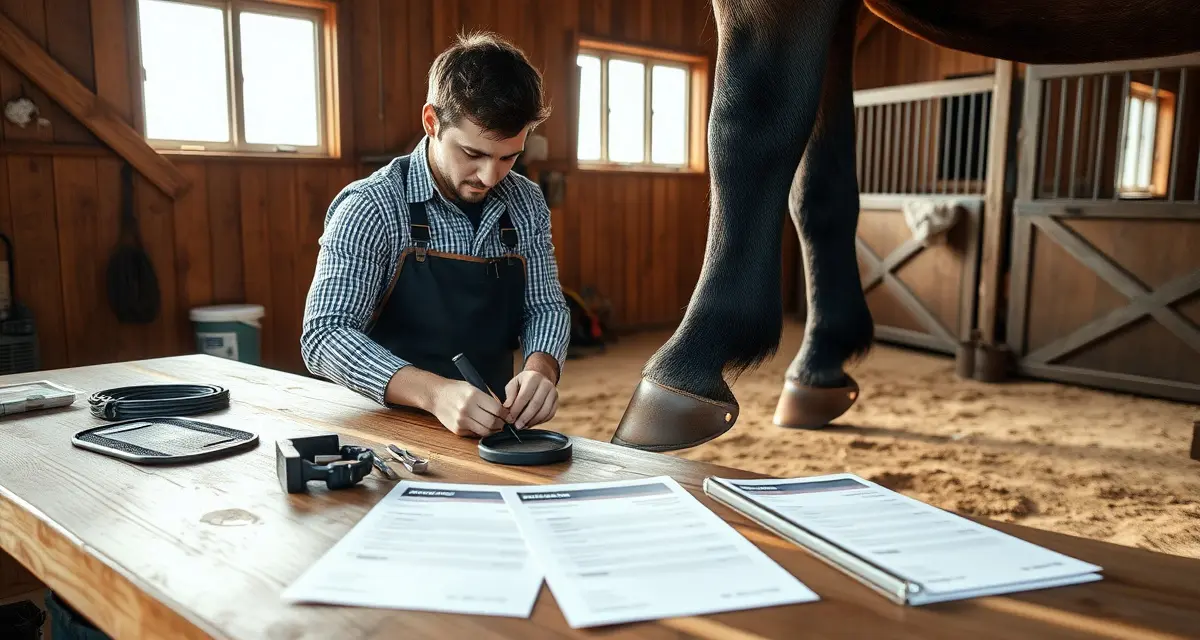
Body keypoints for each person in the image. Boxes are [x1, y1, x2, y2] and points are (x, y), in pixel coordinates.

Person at [301, 31, 570, 438]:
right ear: (431, 121)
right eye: (473, 153)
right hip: (381, 430)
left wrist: (541, 368)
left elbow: (545, 306)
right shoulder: (371, 206)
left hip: (487, 432)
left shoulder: (526, 202)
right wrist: (434, 394)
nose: (490, 176)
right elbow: (324, 335)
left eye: (509, 157)